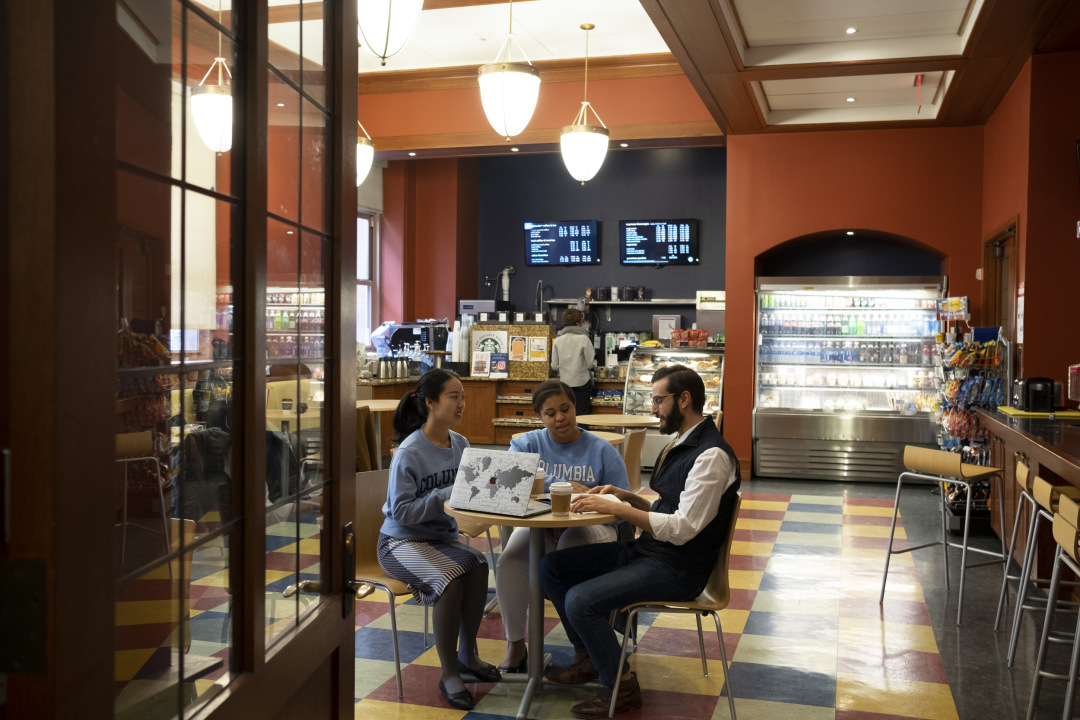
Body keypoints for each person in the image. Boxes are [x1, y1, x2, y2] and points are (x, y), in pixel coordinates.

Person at [538, 364, 741, 719]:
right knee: (551, 567)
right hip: (652, 552)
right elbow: (670, 512)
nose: (653, 408)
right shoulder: (683, 443)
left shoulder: (712, 456)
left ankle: (622, 685)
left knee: (580, 601)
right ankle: (590, 659)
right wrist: (626, 497)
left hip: (679, 568)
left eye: (659, 400)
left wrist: (609, 506)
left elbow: (681, 529)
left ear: (684, 399)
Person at [376, 369, 500, 710]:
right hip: (400, 544)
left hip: (441, 541)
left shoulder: (460, 445)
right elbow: (400, 512)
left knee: (477, 566)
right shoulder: (409, 452)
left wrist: (494, 490)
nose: (462, 404)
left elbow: (466, 496)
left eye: (463, 396)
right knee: (450, 579)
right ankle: (449, 674)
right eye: (453, 397)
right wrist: (447, 493)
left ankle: (468, 656)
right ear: (430, 403)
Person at [495, 380, 630, 673]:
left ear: (575, 407)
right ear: (540, 417)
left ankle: (585, 651)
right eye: (550, 413)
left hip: (594, 529)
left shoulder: (602, 450)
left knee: (570, 549)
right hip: (539, 527)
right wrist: (563, 484)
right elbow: (508, 480)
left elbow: (624, 506)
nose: (559, 418)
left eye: (565, 409)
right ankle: (516, 645)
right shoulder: (527, 444)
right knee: (509, 561)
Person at [551, 307, 597, 417]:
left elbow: (554, 366)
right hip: (582, 383)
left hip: (565, 384)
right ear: (578, 323)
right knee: (582, 416)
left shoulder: (558, 340)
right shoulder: (584, 339)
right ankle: (581, 434)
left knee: (567, 414)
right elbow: (590, 364)